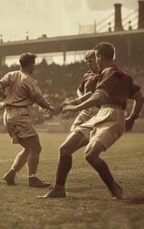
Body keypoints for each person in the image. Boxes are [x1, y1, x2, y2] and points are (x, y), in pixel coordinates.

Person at [42, 42, 144, 199]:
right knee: (65, 149)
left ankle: (113, 186)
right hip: (101, 114)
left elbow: (99, 96)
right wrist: (132, 116)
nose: (94, 62)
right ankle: (59, 189)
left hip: (112, 116)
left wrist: (75, 108)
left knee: (90, 154)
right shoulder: (121, 75)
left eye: (95, 58)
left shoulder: (111, 72)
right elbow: (139, 96)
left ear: (99, 57)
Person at [0, 52, 54, 188]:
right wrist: (49, 107)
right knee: (36, 147)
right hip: (20, 114)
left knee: (28, 148)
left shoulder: (11, 74)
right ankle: (32, 179)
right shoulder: (29, 80)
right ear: (30, 64)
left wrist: (8, 99)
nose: (34, 67)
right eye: (34, 64)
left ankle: (11, 174)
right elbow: (39, 98)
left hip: (7, 114)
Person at [69, 50, 99, 131]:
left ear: (98, 59)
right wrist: (81, 97)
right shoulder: (86, 75)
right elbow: (79, 89)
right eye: (87, 62)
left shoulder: (104, 74)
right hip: (85, 110)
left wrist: (78, 101)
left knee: (93, 138)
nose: (88, 64)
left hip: (98, 110)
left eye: (91, 61)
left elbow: (94, 93)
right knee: (73, 132)